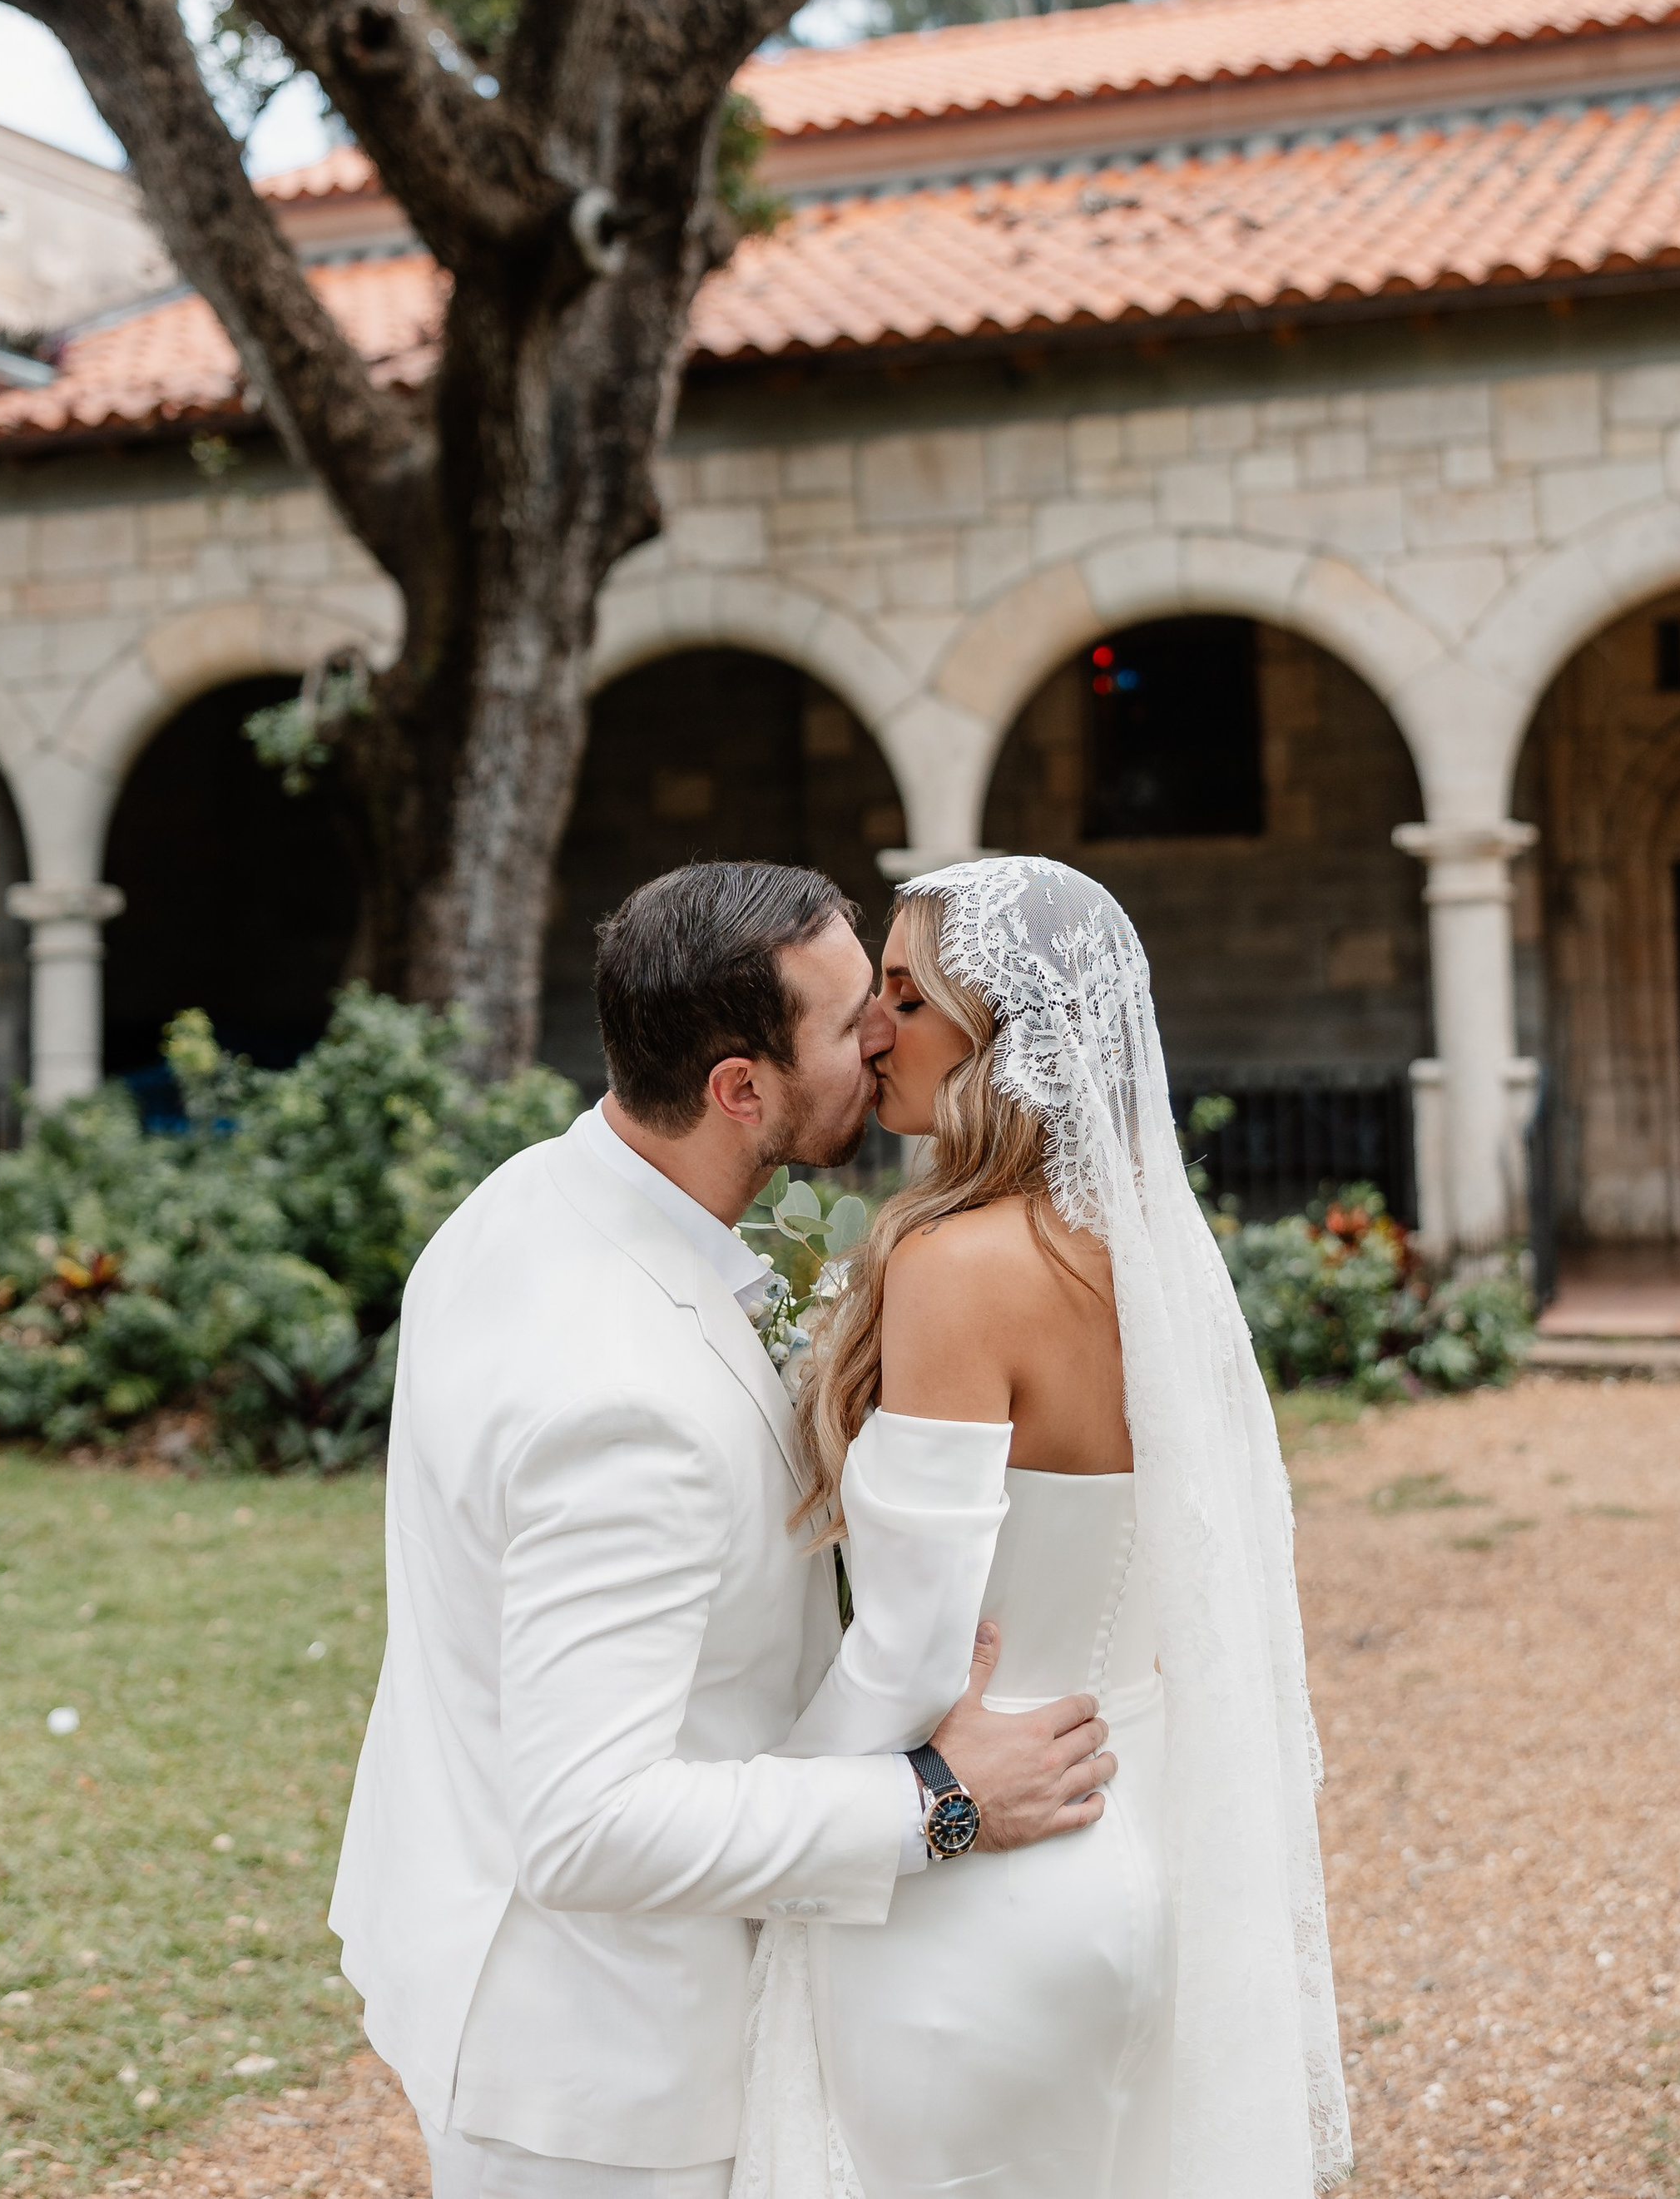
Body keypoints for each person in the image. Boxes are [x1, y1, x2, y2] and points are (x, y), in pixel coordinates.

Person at [331, 859, 1113, 2199]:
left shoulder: (526, 1198)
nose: (887, 1034)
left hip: (490, 1955)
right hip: (607, 2074)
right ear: (738, 1088)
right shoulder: (619, 1394)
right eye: (855, 1014)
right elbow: (587, 1823)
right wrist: (936, 1800)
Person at [736, 855, 1350, 2199]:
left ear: (1001, 1035)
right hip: (1131, 1861)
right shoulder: (1147, 1265)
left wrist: (771, 1820)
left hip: (966, 1889)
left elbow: (913, 1650)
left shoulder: (956, 1264)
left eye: (907, 994)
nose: (873, 1028)